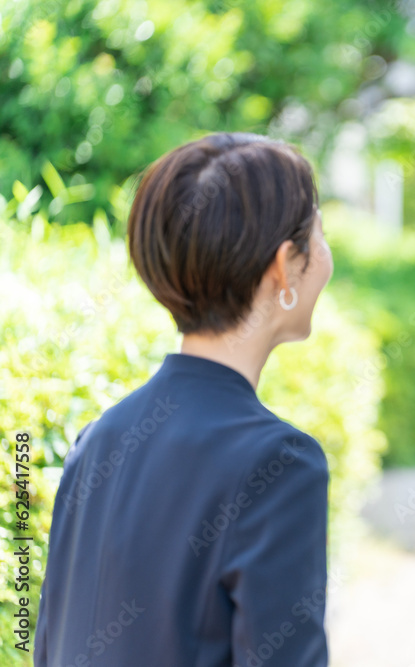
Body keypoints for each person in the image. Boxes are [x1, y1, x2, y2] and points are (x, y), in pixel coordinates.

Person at [35, 133, 333, 667]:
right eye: (320, 232)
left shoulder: (97, 439)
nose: (328, 256)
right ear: (284, 265)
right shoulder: (281, 462)